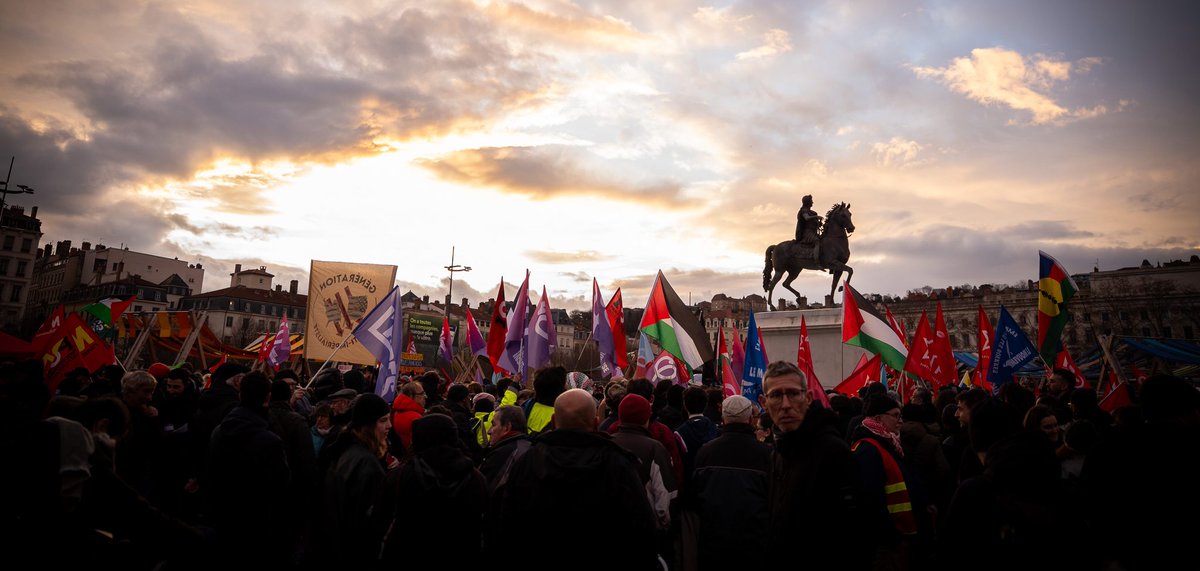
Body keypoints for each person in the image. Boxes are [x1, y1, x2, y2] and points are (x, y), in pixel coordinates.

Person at [500, 389, 658, 569]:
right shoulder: (618, 465)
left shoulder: (526, 463)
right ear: (596, 423)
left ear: (553, 422)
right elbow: (641, 530)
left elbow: (507, 526)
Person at [760, 361, 866, 569]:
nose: (785, 404)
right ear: (764, 402)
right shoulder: (777, 453)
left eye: (793, 394)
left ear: (808, 398)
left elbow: (856, 531)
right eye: (776, 395)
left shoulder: (834, 452)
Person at [206, 371, 291, 565]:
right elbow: (281, 487)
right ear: (267, 398)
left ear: (240, 395)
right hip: (257, 525)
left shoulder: (219, 432)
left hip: (222, 520)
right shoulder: (271, 441)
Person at [691, 395, 771, 570]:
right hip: (754, 544)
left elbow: (695, 498)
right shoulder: (766, 455)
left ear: (723, 419)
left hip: (713, 542)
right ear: (751, 419)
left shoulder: (706, 452)